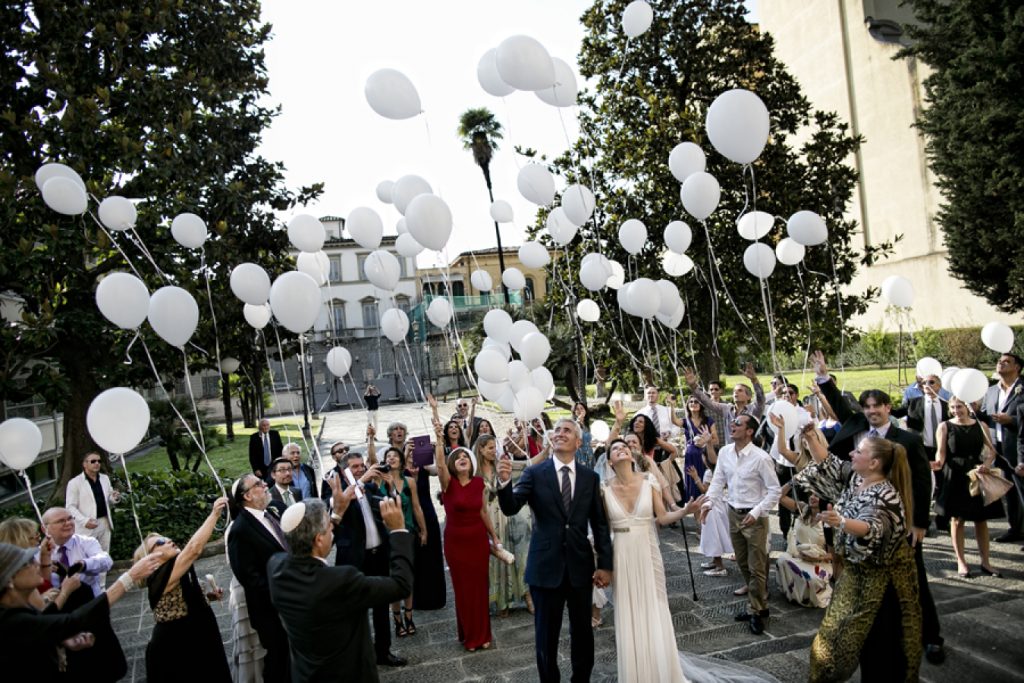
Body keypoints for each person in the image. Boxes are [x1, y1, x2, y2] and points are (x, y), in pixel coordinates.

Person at [812, 350, 943, 666]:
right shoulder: (856, 426)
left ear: (888, 408)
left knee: (914, 581)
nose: (871, 412)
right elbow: (842, 407)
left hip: (899, 520)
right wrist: (823, 377)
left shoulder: (906, 440)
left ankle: (931, 637)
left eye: (877, 406)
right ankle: (870, 634)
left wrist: (920, 523)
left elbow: (922, 483)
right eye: (867, 406)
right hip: (861, 515)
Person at [794, 435, 922, 682]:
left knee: (879, 650)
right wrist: (809, 435)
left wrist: (840, 521)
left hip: (884, 587)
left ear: (874, 463)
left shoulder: (887, 496)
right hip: (855, 579)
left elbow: (872, 528)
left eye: (858, 451)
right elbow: (828, 463)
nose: (851, 454)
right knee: (832, 645)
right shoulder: (857, 479)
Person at [497, 418, 613, 682]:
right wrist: (504, 483)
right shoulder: (534, 473)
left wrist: (605, 565)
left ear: (578, 441)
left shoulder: (590, 478)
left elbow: (600, 523)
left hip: (580, 567)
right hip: (545, 568)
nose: (560, 433)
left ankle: (581, 679)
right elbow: (511, 507)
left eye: (567, 430)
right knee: (545, 637)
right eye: (557, 430)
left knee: (582, 633)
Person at [268, 493, 414, 683]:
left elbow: (312, 543)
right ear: (319, 540)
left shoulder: (275, 566)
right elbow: (401, 586)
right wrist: (398, 531)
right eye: (329, 528)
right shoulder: (340, 580)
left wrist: (336, 514)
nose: (333, 531)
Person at [601, 438, 702, 682]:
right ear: (609, 461)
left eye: (624, 446)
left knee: (654, 607)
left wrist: (686, 511)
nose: (621, 449)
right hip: (621, 554)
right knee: (628, 612)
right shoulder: (603, 488)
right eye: (615, 448)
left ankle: (661, 671)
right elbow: (602, 529)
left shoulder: (648, 481)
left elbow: (664, 517)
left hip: (648, 551)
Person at [0, 541, 163, 682]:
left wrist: (60, 638)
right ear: (9, 580)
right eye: (27, 563)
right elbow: (74, 621)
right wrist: (130, 577)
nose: (35, 564)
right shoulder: (9, 621)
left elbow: (42, 622)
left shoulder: (15, 613)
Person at [698, 414, 781, 635]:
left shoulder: (761, 458)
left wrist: (756, 512)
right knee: (743, 563)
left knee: (757, 566)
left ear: (750, 431)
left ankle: (756, 610)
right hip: (733, 513)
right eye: (732, 423)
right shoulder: (725, 452)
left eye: (738, 424)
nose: (732, 426)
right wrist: (707, 504)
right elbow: (717, 482)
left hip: (755, 518)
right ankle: (759, 606)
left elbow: (775, 491)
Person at [137, 497, 231, 683]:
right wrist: (215, 514)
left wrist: (208, 597)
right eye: (160, 542)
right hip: (177, 644)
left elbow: (181, 601)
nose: (169, 540)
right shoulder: (158, 576)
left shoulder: (176, 568)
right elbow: (194, 549)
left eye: (166, 537)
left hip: (198, 632)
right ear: (151, 557)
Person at [332, 450, 407, 667]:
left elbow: (393, 506)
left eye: (362, 466)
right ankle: (358, 655)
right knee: (356, 611)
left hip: (378, 556)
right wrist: (361, 480)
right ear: (345, 470)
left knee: (382, 606)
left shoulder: (371, 487)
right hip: (355, 561)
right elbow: (336, 509)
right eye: (355, 467)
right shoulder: (340, 492)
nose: (361, 469)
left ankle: (383, 652)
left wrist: (390, 486)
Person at [433, 420, 499, 651]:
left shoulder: (479, 482)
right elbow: (440, 465)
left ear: (471, 463)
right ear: (453, 464)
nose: (462, 458)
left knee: (480, 589)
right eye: (457, 457)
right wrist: (439, 438)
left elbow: (482, 511)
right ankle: (470, 636)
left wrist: (494, 536)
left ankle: (483, 633)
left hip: (478, 541)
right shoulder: (447, 483)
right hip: (456, 543)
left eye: (465, 456)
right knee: (463, 590)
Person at [226, 474, 292, 682]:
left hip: (288, 602)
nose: (265, 485)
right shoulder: (240, 530)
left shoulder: (270, 514)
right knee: (278, 661)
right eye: (258, 484)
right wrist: (283, 592)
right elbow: (250, 578)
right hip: (269, 609)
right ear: (247, 495)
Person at [933, 396, 1004, 577]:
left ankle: (986, 562)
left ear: (968, 407)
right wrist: (929, 465)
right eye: (953, 407)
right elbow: (940, 456)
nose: (957, 410)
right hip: (955, 476)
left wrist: (986, 465)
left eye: (960, 407)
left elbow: (991, 451)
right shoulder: (944, 427)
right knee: (957, 520)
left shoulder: (981, 425)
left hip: (976, 474)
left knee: (981, 520)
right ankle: (961, 562)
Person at [479, 433, 538, 617]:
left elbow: (529, 464)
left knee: (519, 557)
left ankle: (527, 595)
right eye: (489, 447)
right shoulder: (476, 472)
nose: (493, 450)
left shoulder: (503, 465)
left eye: (494, 447)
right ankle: (501, 601)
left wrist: (547, 451)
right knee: (496, 560)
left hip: (508, 516)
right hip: (488, 518)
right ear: (480, 450)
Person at [376, 446, 427, 637]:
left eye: (394, 456)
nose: (391, 459)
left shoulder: (409, 482)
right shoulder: (378, 480)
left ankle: (409, 616)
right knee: (393, 578)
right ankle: (396, 620)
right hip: (387, 537)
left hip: (408, 534)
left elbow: (416, 507)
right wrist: (371, 439)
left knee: (408, 576)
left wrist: (424, 529)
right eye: (388, 456)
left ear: (401, 460)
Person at [975, 353, 1024, 542]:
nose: (1000, 364)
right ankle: (1016, 529)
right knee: (1010, 491)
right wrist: (976, 412)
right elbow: (987, 416)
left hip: (1020, 446)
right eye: (998, 361)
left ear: (1017, 367)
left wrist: (1012, 420)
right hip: (1000, 448)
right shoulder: (992, 390)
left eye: (1006, 362)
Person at [774, 485, 833, 608]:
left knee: (811, 577)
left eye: (817, 495)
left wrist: (816, 558)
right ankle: (794, 594)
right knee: (782, 560)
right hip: (797, 556)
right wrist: (794, 481)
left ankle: (808, 596)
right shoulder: (803, 508)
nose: (812, 497)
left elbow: (835, 555)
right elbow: (779, 496)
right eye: (811, 494)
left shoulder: (829, 519)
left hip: (819, 562)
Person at [683, 363, 767, 444]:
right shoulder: (727, 409)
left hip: (749, 452)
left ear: (749, 396)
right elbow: (708, 403)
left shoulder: (754, 409)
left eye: (740, 391)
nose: (735, 393)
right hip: (730, 453)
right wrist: (693, 385)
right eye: (734, 391)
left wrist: (754, 380)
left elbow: (761, 398)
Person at [65, 452, 120, 558]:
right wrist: (84, 521)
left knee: (103, 556)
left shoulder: (104, 479)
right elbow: (70, 507)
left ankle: (103, 575)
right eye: (93, 461)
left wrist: (114, 498)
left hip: (104, 522)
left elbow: (108, 498)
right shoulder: (75, 483)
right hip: (86, 526)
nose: (97, 463)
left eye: (99, 461)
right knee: (86, 558)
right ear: (85, 464)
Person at [681, 396, 718, 502]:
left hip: (704, 456)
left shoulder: (708, 420)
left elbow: (716, 440)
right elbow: (674, 421)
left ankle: (706, 500)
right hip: (690, 457)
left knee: (704, 479)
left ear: (701, 405)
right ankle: (692, 502)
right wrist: (671, 405)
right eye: (691, 402)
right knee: (691, 480)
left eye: (696, 401)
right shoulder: (686, 421)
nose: (693, 403)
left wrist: (706, 441)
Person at [573, 402, 595, 468]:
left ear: (585, 410)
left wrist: (593, 443)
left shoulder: (587, 425)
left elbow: (588, 440)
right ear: (574, 412)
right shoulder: (573, 424)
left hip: (589, 453)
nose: (580, 411)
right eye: (577, 409)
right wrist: (579, 419)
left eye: (582, 408)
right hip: (579, 454)